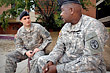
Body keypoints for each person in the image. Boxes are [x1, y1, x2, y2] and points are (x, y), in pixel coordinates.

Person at [36, 0, 109, 73]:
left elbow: (91, 62)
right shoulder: (65, 27)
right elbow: (59, 48)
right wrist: (50, 61)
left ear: (71, 10)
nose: (61, 14)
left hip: (87, 67)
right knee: (42, 61)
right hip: (67, 62)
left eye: (62, 10)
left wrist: (57, 69)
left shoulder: (93, 26)